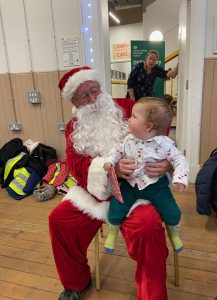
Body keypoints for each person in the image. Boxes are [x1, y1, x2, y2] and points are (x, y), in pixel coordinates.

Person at [48, 66, 172, 300]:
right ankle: (75, 282)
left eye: (95, 90)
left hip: (136, 190)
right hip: (96, 193)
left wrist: (164, 160)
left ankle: (151, 294)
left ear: (100, 87)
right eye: (84, 95)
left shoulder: (126, 108)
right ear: (73, 100)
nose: (94, 99)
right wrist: (108, 170)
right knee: (59, 220)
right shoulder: (75, 127)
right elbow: (75, 165)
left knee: (147, 227)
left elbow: (160, 122)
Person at [103, 97, 189, 255]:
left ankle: (173, 232)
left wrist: (180, 178)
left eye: (134, 117)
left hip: (156, 186)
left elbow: (179, 159)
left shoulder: (164, 144)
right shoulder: (128, 140)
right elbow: (116, 150)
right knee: (117, 205)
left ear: (148, 126)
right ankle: (113, 232)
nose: (129, 119)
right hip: (131, 184)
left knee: (172, 211)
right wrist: (109, 162)